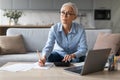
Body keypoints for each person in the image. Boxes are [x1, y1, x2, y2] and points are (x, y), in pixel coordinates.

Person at [39, 2, 88, 66]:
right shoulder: (54, 28)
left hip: (73, 55)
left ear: (74, 17)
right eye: (63, 12)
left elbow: (83, 49)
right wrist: (44, 57)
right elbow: (49, 46)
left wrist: (73, 55)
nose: (64, 16)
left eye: (69, 13)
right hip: (58, 54)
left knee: (82, 58)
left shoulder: (80, 29)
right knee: (48, 58)